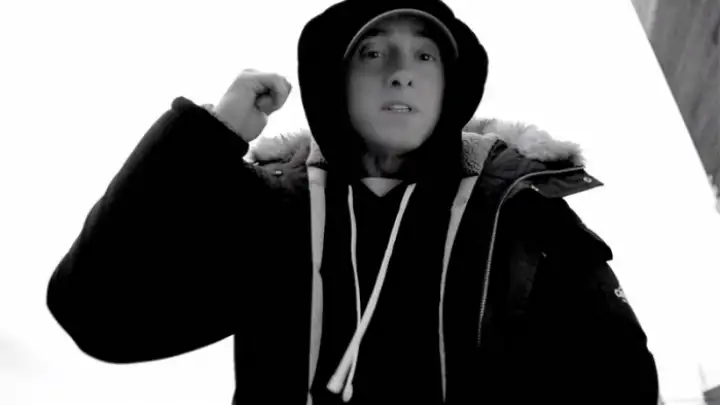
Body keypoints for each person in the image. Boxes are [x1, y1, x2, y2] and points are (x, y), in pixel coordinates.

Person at [46, 0, 660, 404]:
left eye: (425, 54)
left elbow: (620, 383)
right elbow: (98, 316)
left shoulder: (518, 206)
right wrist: (204, 137)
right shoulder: (272, 209)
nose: (401, 72)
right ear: (334, 83)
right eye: (372, 52)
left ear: (452, 86)